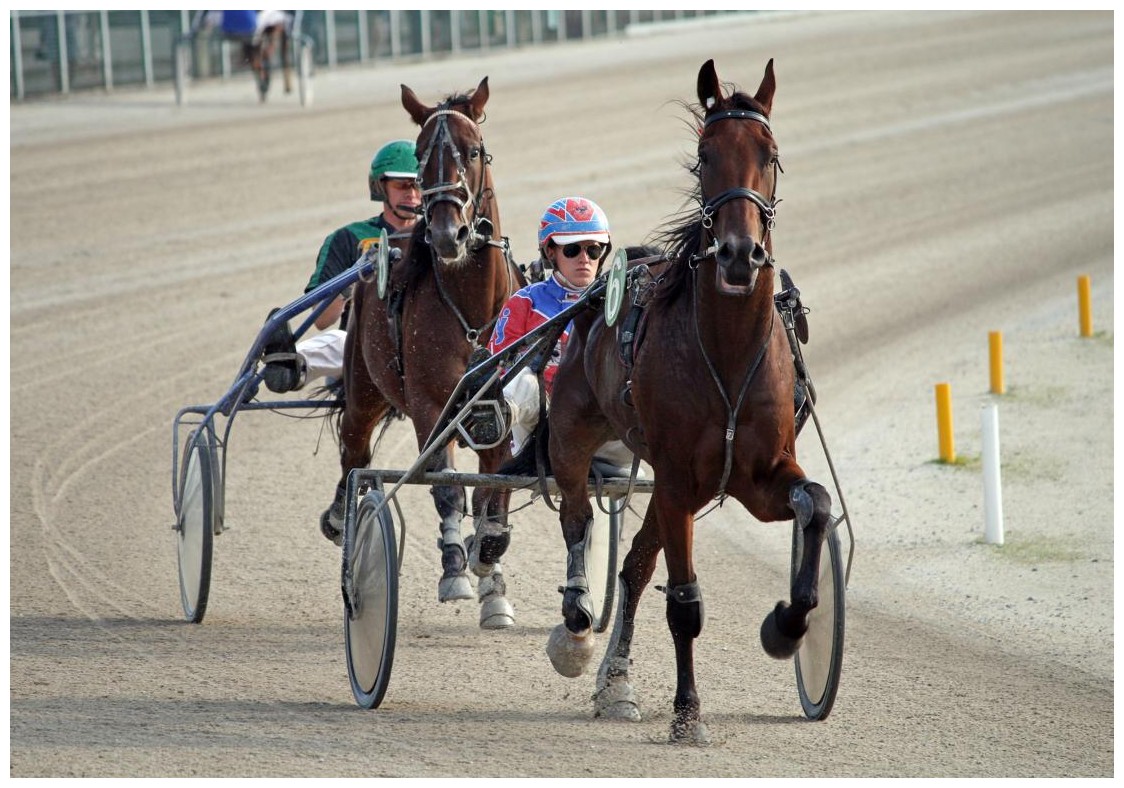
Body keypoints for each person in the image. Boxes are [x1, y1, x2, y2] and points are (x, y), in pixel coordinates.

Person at [261, 139, 421, 393]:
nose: (412, 194)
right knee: (340, 341)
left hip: (423, 346)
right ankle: (290, 366)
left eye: (418, 185)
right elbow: (323, 320)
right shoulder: (349, 238)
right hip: (366, 349)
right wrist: (355, 279)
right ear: (381, 186)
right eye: (402, 185)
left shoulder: (438, 238)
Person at [487, 196, 632, 468]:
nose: (584, 259)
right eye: (572, 249)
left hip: (608, 429)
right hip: (544, 427)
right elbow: (498, 367)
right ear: (551, 252)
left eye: (594, 250)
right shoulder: (526, 302)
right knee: (525, 380)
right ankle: (492, 421)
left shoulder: (621, 301)